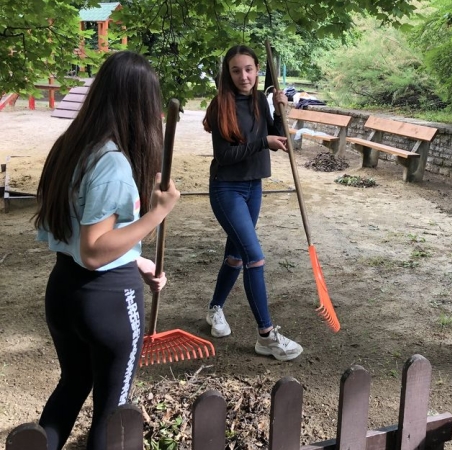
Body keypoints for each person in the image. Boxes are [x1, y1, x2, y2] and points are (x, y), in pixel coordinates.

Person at [33, 51, 181, 449]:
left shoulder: (72, 146)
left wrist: (136, 258)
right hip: (108, 301)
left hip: (64, 290)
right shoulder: (112, 163)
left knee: (72, 384)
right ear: (140, 104)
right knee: (112, 413)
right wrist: (156, 214)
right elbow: (96, 250)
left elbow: (82, 240)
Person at [202, 45, 303, 361]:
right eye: (236, 70)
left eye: (249, 69)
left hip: (253, 188)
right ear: (228, 73)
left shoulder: (261, 100)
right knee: (254, 257)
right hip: (226, 189)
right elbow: (225, 155)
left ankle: (214, 309)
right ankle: (266, 336)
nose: (244, 76)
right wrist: (263, 142)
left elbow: (276, 139)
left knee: (235, 256)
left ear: (258, 70)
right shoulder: (221, 105)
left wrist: (279, 110)